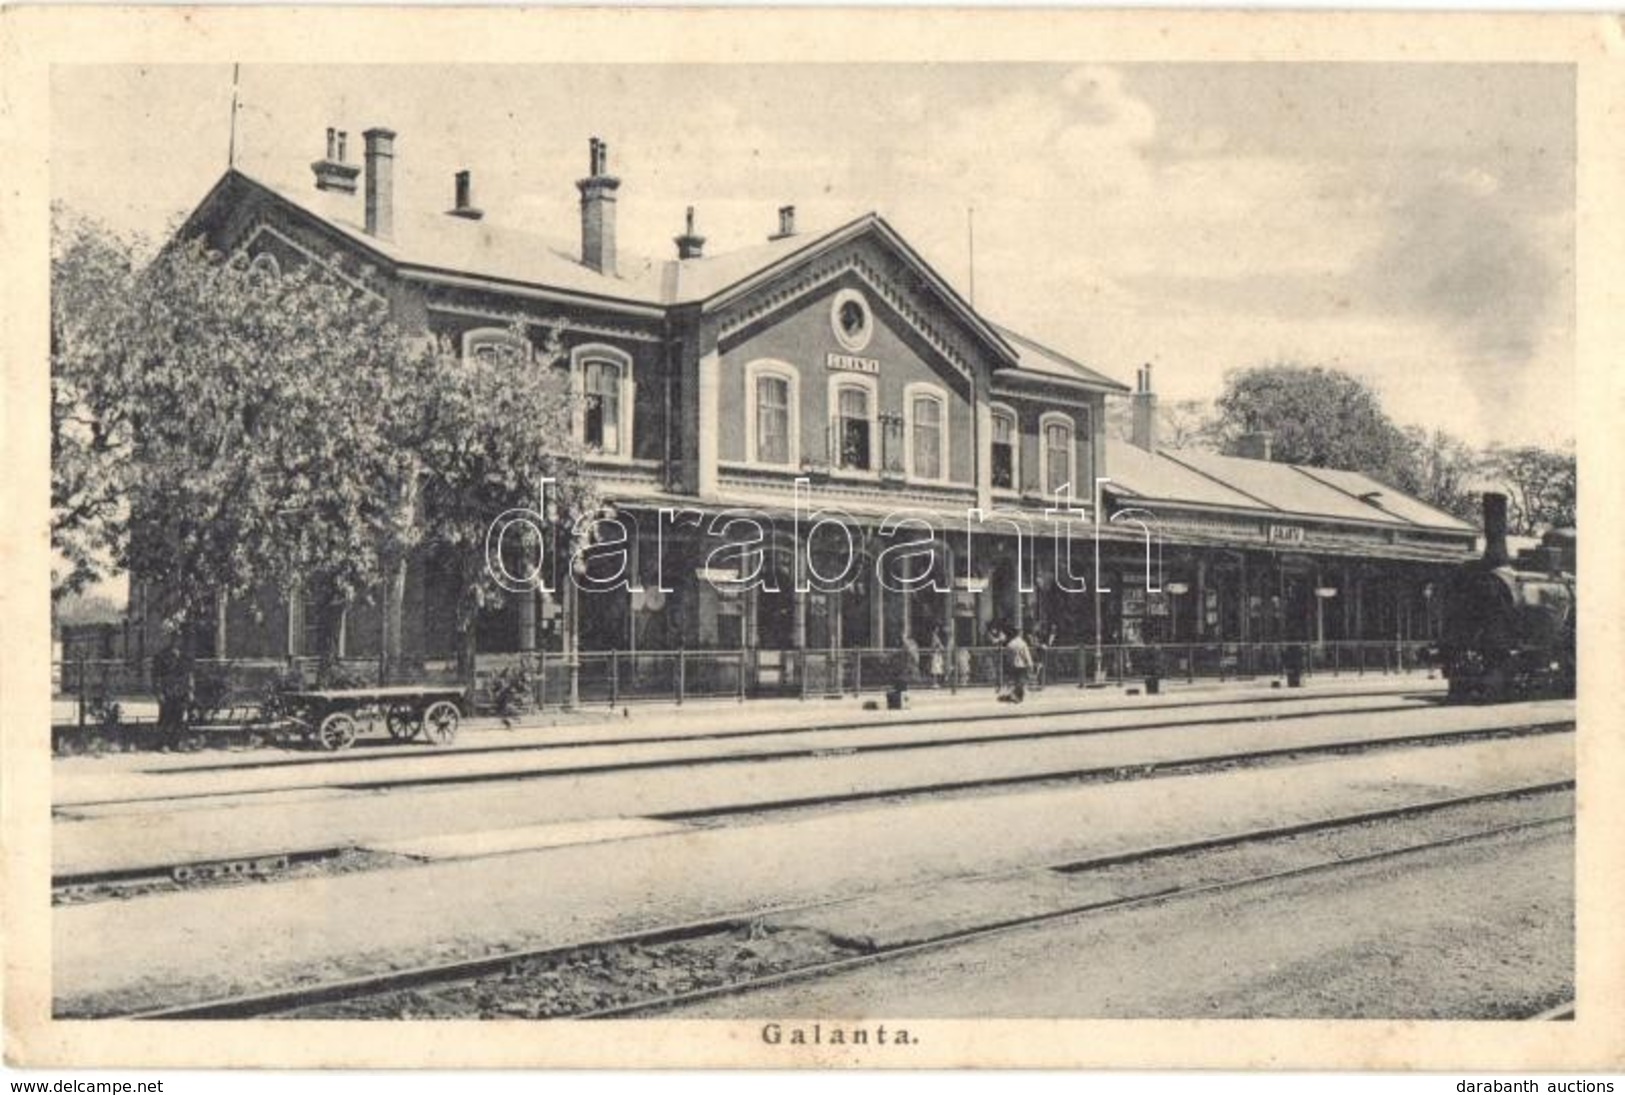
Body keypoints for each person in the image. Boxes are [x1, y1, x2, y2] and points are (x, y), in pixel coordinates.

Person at [1004, 626, 1034, 703]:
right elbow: (1026, 655)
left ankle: (1014, 695)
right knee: (1021, 681)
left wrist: (1008, 663)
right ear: (1020, 633)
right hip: (1021, 665)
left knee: (1014, 681)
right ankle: (1019, 697)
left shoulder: (1010, 644)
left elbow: (1007, 656)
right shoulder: (1023, 643)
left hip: (1012, 665)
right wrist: (1030, 664)